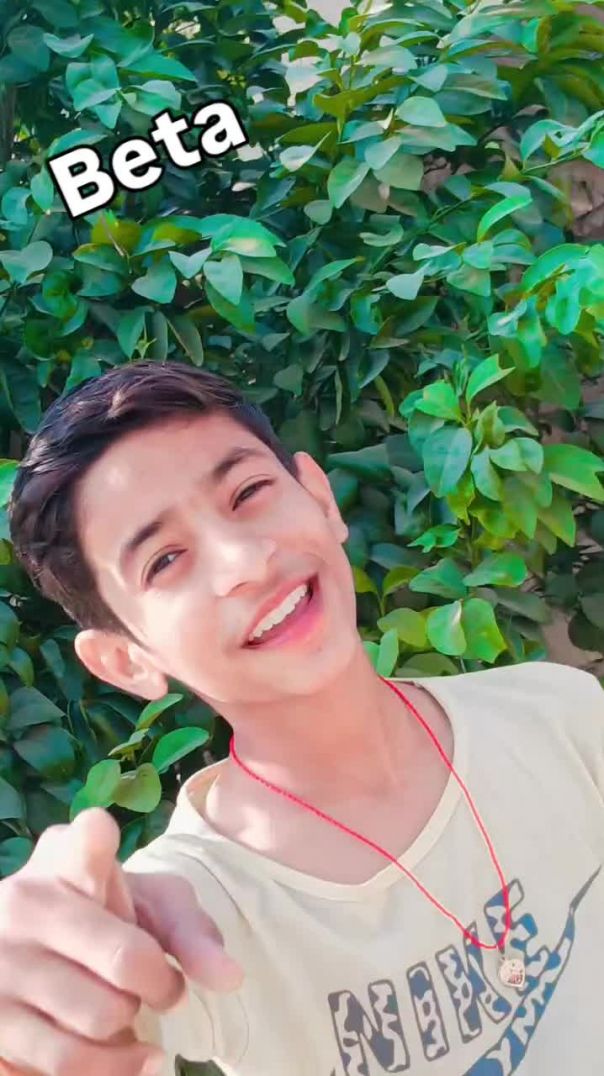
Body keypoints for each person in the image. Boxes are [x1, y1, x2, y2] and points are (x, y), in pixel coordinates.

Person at [1, 360, 603, 1076]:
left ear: (318, 497)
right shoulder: (185, 914)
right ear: (126, 660)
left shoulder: (557, 713)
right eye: (164, 560)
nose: (244, 561)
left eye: (248, 492)